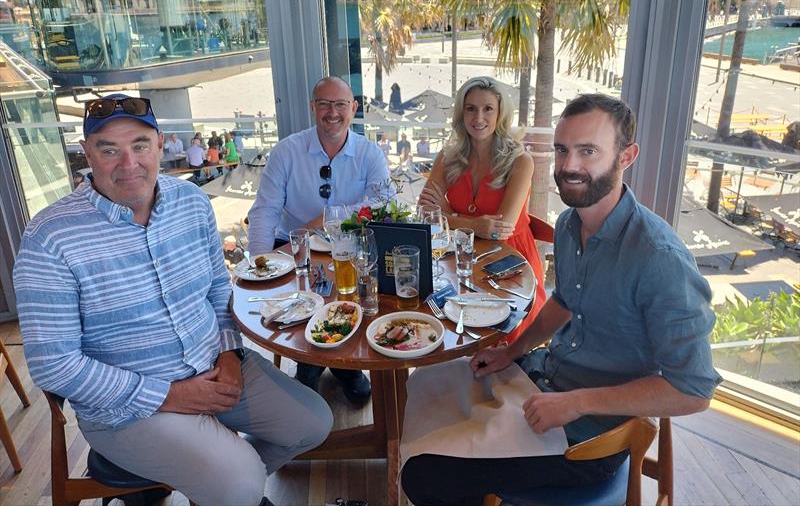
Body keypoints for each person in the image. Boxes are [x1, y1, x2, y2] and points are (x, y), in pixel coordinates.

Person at [401, 94, 721, 506]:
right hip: (546, 379)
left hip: (591, 437)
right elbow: (565, 300)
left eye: (588, 151)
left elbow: (694, 390)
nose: (569, 166)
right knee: (426, 380)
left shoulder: (659, 260)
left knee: (426, 476)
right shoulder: (571, 224)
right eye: (562, 150)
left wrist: (577, 403)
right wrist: (513, 351)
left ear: (626, 156)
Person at [13, 94, 332, 506]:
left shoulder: (192, 203)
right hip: (128, 408)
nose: (128, 164)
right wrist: (171, 396)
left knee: (314, 424)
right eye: (109, 150)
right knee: (242, 483)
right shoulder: (49, 239)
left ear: (160, 145)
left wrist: (231, 357)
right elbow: (54, 365)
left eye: (140, 146)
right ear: (86, 153)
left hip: (214, 367)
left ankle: (220, 479)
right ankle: (231, 483)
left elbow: (219, 289)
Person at [248, 76, 391, 405]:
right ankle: (313, 360)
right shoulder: (287, 151)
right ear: (312, 107)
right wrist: (258, 261)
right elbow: (265, 209)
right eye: (324, 104)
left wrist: (326, 219)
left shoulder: (370, 154)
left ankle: (340, 365)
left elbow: (383, 206)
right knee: (301, 298)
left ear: (354, 109)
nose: (332, 112)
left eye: (340, 104)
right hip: (295, 246)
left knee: (351, 296)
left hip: (351, 248)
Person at [418, 76, 545, 341]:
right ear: (461, 113)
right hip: (460, 258)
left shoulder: (520, 161)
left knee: (495, 339)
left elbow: (500, 231)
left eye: (488, 108)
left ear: (500, 114)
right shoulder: (448, 156)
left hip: (509, 263)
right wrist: (475, 224)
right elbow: (425, 211)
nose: (479, 117)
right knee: (449, 330)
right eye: (471, 108)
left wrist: (448, 215)